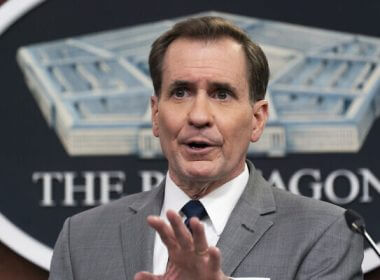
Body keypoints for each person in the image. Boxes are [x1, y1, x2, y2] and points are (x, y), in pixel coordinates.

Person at [49, 16, 363, 280]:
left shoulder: (324, 233)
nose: (198, 116)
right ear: (156, 115)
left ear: (257, 119)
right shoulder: (80, 239)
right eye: (181, 92)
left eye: (222, 94)